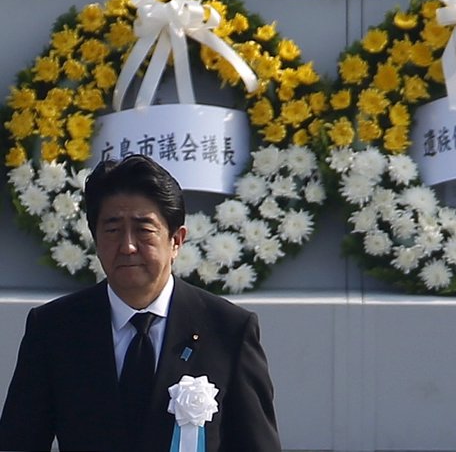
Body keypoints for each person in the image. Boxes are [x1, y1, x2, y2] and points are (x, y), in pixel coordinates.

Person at [0, 154, 281, 451]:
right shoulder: (54, 328)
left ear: (176, 240)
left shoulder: (229, 330)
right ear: (96, 239)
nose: (128, 246)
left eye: (144, 229)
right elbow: (18, 441)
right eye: (112, 229)